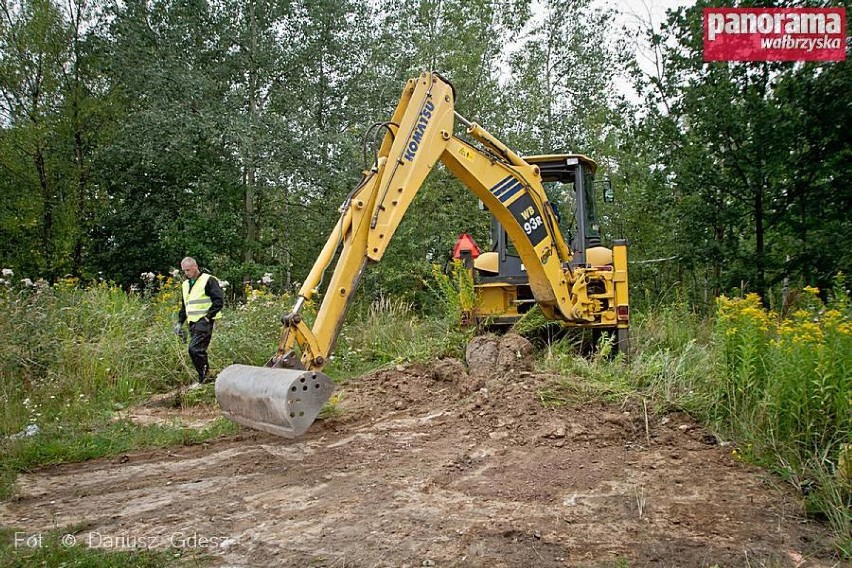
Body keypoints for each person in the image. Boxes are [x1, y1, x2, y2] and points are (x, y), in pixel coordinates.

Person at [173, 257, 223, 384]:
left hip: (204, 321)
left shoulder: (209, 280)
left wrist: (207, 317)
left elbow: (219, 301)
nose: (186, 273)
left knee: (194, 349)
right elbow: (185, 306)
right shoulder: (185, 284)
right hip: (192, 322)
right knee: (198, 351)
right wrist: (180, 322)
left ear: (195, 267)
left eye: (188, 270)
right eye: (184, 271)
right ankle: (206, 377)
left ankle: (204, 379)